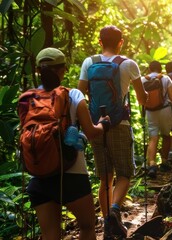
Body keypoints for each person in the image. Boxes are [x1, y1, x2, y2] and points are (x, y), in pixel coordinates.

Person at [25, 47, 110, 239]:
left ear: (38, 70)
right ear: (63, 69)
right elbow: (91, 132)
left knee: (50, 235)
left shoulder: (28, 99)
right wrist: (103, 125)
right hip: (72, 174)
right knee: (88, 227)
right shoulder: (73, 95)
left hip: (39, 176)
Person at [77, 25, 147, 237]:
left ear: (99, 42)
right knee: (124, 173)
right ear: (121, 42)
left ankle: (108, 222)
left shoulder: (89, 62)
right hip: (120, 125)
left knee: (105, 178)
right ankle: (114, 211)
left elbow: (79, 94)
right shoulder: (128, 64)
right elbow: (142, 98)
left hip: (96, 126)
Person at [142, 61, 172, 178]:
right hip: (165, 109)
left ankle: (151, 164)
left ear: (150, 69)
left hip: (150, 111)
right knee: (166, 135)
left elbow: (140, 98)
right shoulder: (166, 78)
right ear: (160, 69)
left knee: (153, 137)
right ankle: (164, 162)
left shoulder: (143, 80)